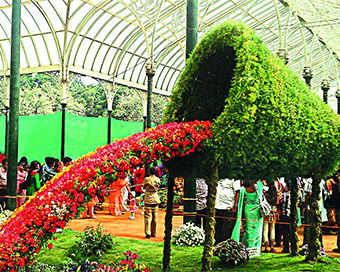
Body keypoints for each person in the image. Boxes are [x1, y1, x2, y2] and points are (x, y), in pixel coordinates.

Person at [232, 180, 264, 257]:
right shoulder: (259, 186)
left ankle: (249, 247)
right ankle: (255, 250)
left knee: (249, 230)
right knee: (257, 231)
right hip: (257, 211)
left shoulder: (243, 189)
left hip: (248, 209)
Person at [214, 178, 240, 244]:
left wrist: (235, 206)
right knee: (217, 228)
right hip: (217, 207)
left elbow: (237, 192)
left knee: (226, 229)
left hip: (228, 207)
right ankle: (216, 245)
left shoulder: (234, 178)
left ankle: (225, 246)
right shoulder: (218, 176)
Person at [144, 167, 161, 238]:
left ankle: (147, 232)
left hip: (148, 197)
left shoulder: (147, 179)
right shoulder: (158, 179)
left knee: (147, 216)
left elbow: (144, 186)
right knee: (155, 216)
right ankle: (154, 232)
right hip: (155, 197)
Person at [262, 180, 279, 253]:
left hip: (266, 210)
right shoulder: (275, 193)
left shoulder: (265, 193)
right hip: (273, 210)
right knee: (272, 228)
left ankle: (266, 247)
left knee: (265, 229)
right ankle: (272, 246)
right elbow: (277, 202)